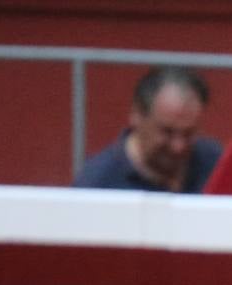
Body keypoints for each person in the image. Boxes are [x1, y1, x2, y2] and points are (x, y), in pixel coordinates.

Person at [74, 65, 224, 193]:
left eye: (188, 133)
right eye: (167, 132)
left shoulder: (215, 164)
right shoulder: (97, 185)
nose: (178, 146)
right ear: (136, 116)